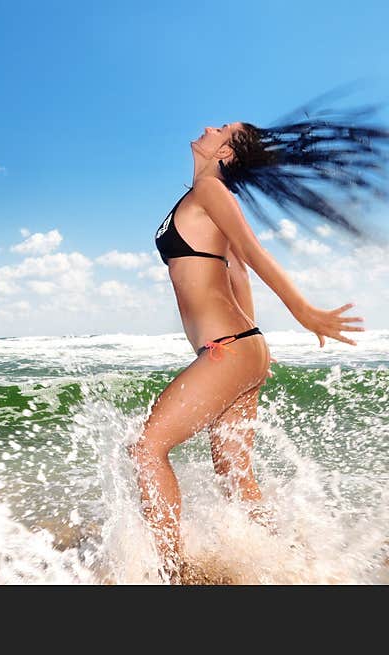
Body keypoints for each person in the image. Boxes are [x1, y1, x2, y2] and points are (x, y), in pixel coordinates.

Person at [130, 98, 389, 584]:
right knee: (234, 476)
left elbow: (253, 251)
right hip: (237, 348)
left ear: (226, 153)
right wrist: (250, 354)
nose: (208, 126)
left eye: (221, 128)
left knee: (146, 448)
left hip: (232, 347)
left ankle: (171, 573)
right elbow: (237, 270)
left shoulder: (211, 189)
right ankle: (293, 565)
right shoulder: (198, 194)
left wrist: (303, 312)